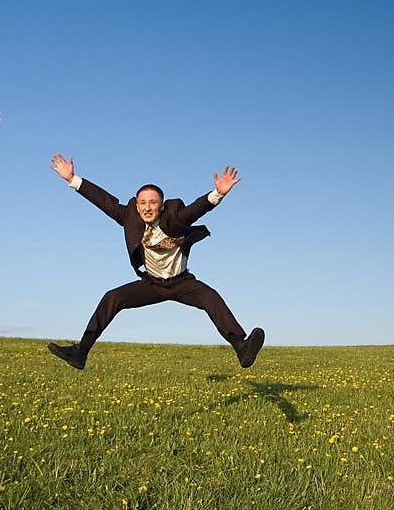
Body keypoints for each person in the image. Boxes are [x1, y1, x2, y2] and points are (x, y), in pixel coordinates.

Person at [46, 152, 265, 371]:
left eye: (153, 203)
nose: (147, 208)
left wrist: (218, 193)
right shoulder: (129, 217)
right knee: (112, 298)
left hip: (182, 283)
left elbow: (197, 209)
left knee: (210, 298)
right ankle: (81, 352)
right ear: (137, 205)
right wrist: (72, 179)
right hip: (152, 284)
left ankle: (241, 346)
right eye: (142, 203)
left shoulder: (174, 217)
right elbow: (103, 201)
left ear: (161, 206)